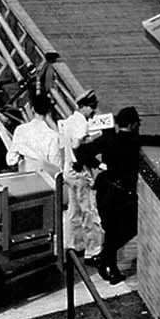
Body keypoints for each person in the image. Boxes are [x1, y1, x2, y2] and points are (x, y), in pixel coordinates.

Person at [75, 105, 142, 284]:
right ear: (134, 124)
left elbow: (81, 151)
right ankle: (107, 263)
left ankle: (106, 262)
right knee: (130, 228)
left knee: (111, 230)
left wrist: (98, 165)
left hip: (105, 190)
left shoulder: (109, 139)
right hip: (122, 194)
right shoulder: (134, 142)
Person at [58, 91, 102, 262]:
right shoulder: (81, 123)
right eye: (91, 107)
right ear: (83, 106)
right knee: (89, 211)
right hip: (80, 172)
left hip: (68, 171)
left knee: (73, 210)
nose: (93, 111)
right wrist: (86, 157)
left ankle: (72, 244)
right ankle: (93, 249)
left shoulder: (68, 121)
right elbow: (77, 143)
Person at [6, 93, 62, 179]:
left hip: (26, 177)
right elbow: (56, 166)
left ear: (32, 109)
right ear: (48, 111)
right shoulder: (53, 136)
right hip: (45, 181)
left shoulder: (20, 130)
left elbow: (11, 160)